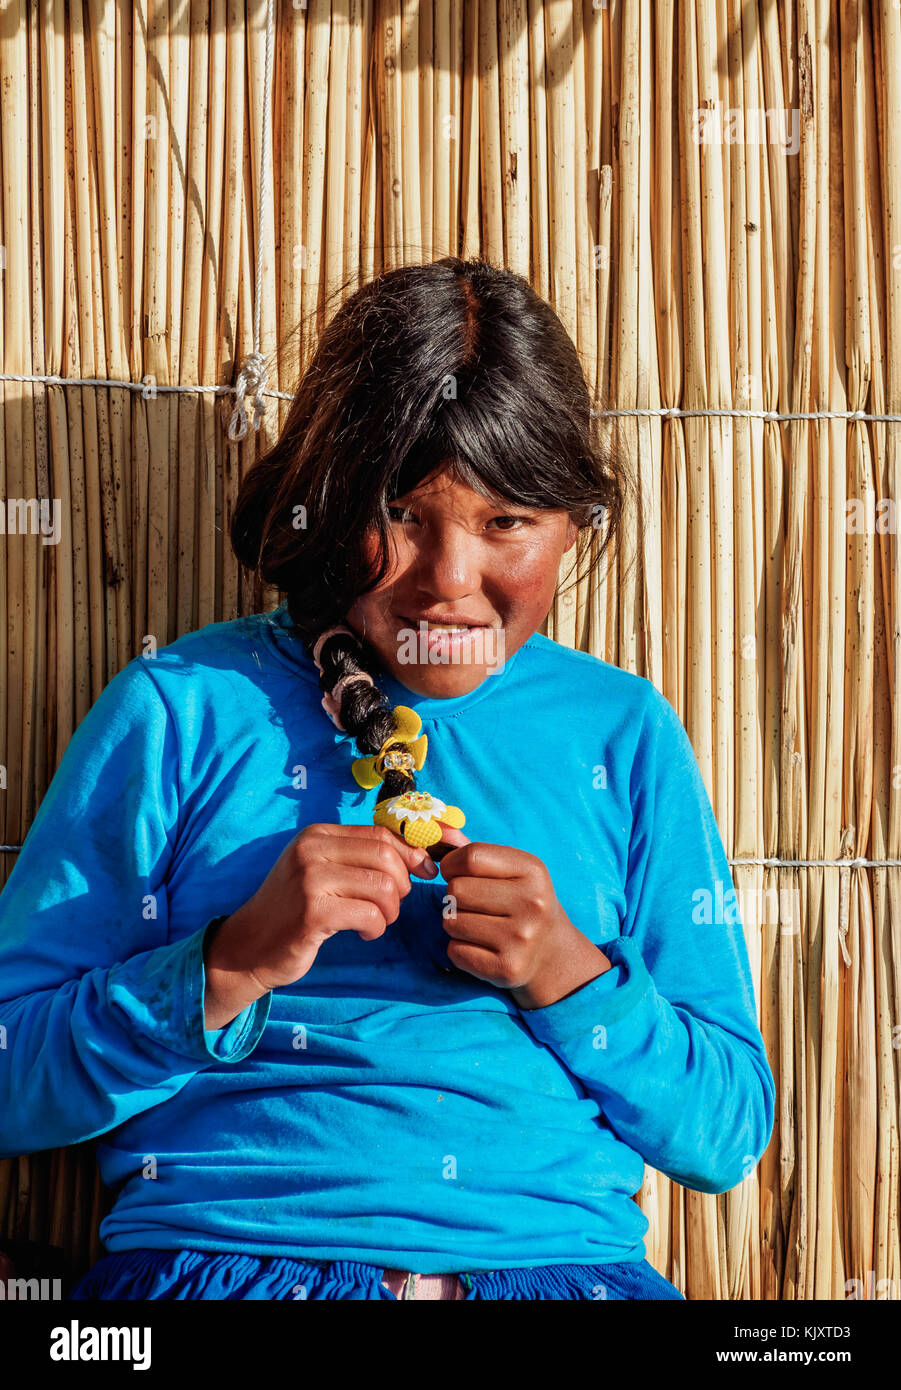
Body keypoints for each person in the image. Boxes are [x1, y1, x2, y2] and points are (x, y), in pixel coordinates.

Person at [0, 257, 774, 1300]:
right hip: (230, 1270)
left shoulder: (618, 734)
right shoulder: (183, 708)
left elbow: (723, 1130)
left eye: (507, 522)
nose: (450, 579)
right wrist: (225, 965)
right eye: (402, 513)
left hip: (559, 1276)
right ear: (319, 505)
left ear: (572, 525)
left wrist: (565, 971)